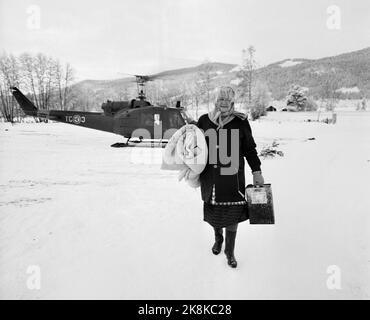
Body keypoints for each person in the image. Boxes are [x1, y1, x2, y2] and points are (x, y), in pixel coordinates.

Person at [196, 86, 264, 268]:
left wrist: (256, 171)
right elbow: (192, 145)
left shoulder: (240, 122)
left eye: (227, 100)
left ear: (232, 102)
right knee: (215, 216)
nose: (223, 103)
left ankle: (230, 251)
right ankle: (218, 240)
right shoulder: (203, 121)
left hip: (233, 180)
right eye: (220, 99)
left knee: (232, 216)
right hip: (210, 179)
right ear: (215, 101)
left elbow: (250, 149)